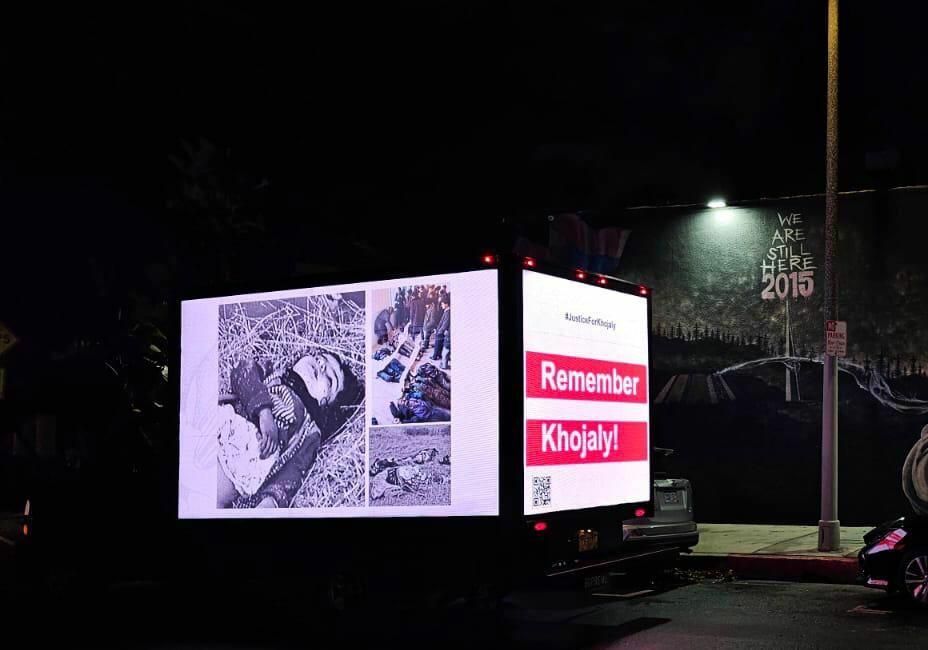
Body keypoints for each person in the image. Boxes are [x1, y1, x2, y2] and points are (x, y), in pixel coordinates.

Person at [217, 351, 363, 508]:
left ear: (326, 404)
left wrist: (271, 501)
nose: (321, 366)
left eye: (330, 378)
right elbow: (243, 370)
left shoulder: (310, 431)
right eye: (320, 359)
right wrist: (264, 411)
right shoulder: (274, 374)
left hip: (235, 467)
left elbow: (294, 471)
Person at [430, 295, 450, 363]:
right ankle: (438, 354)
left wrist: (439, 331)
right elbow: (441, 322)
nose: (441, 305)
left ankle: (435, 356)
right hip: (441, 330)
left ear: (446, 304)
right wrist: (437, 329)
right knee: (438, 343)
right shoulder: (446, 311)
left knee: (437, 342)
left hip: (443, 332)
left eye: (442, 304)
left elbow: (445, 324)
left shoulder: (448, 312)